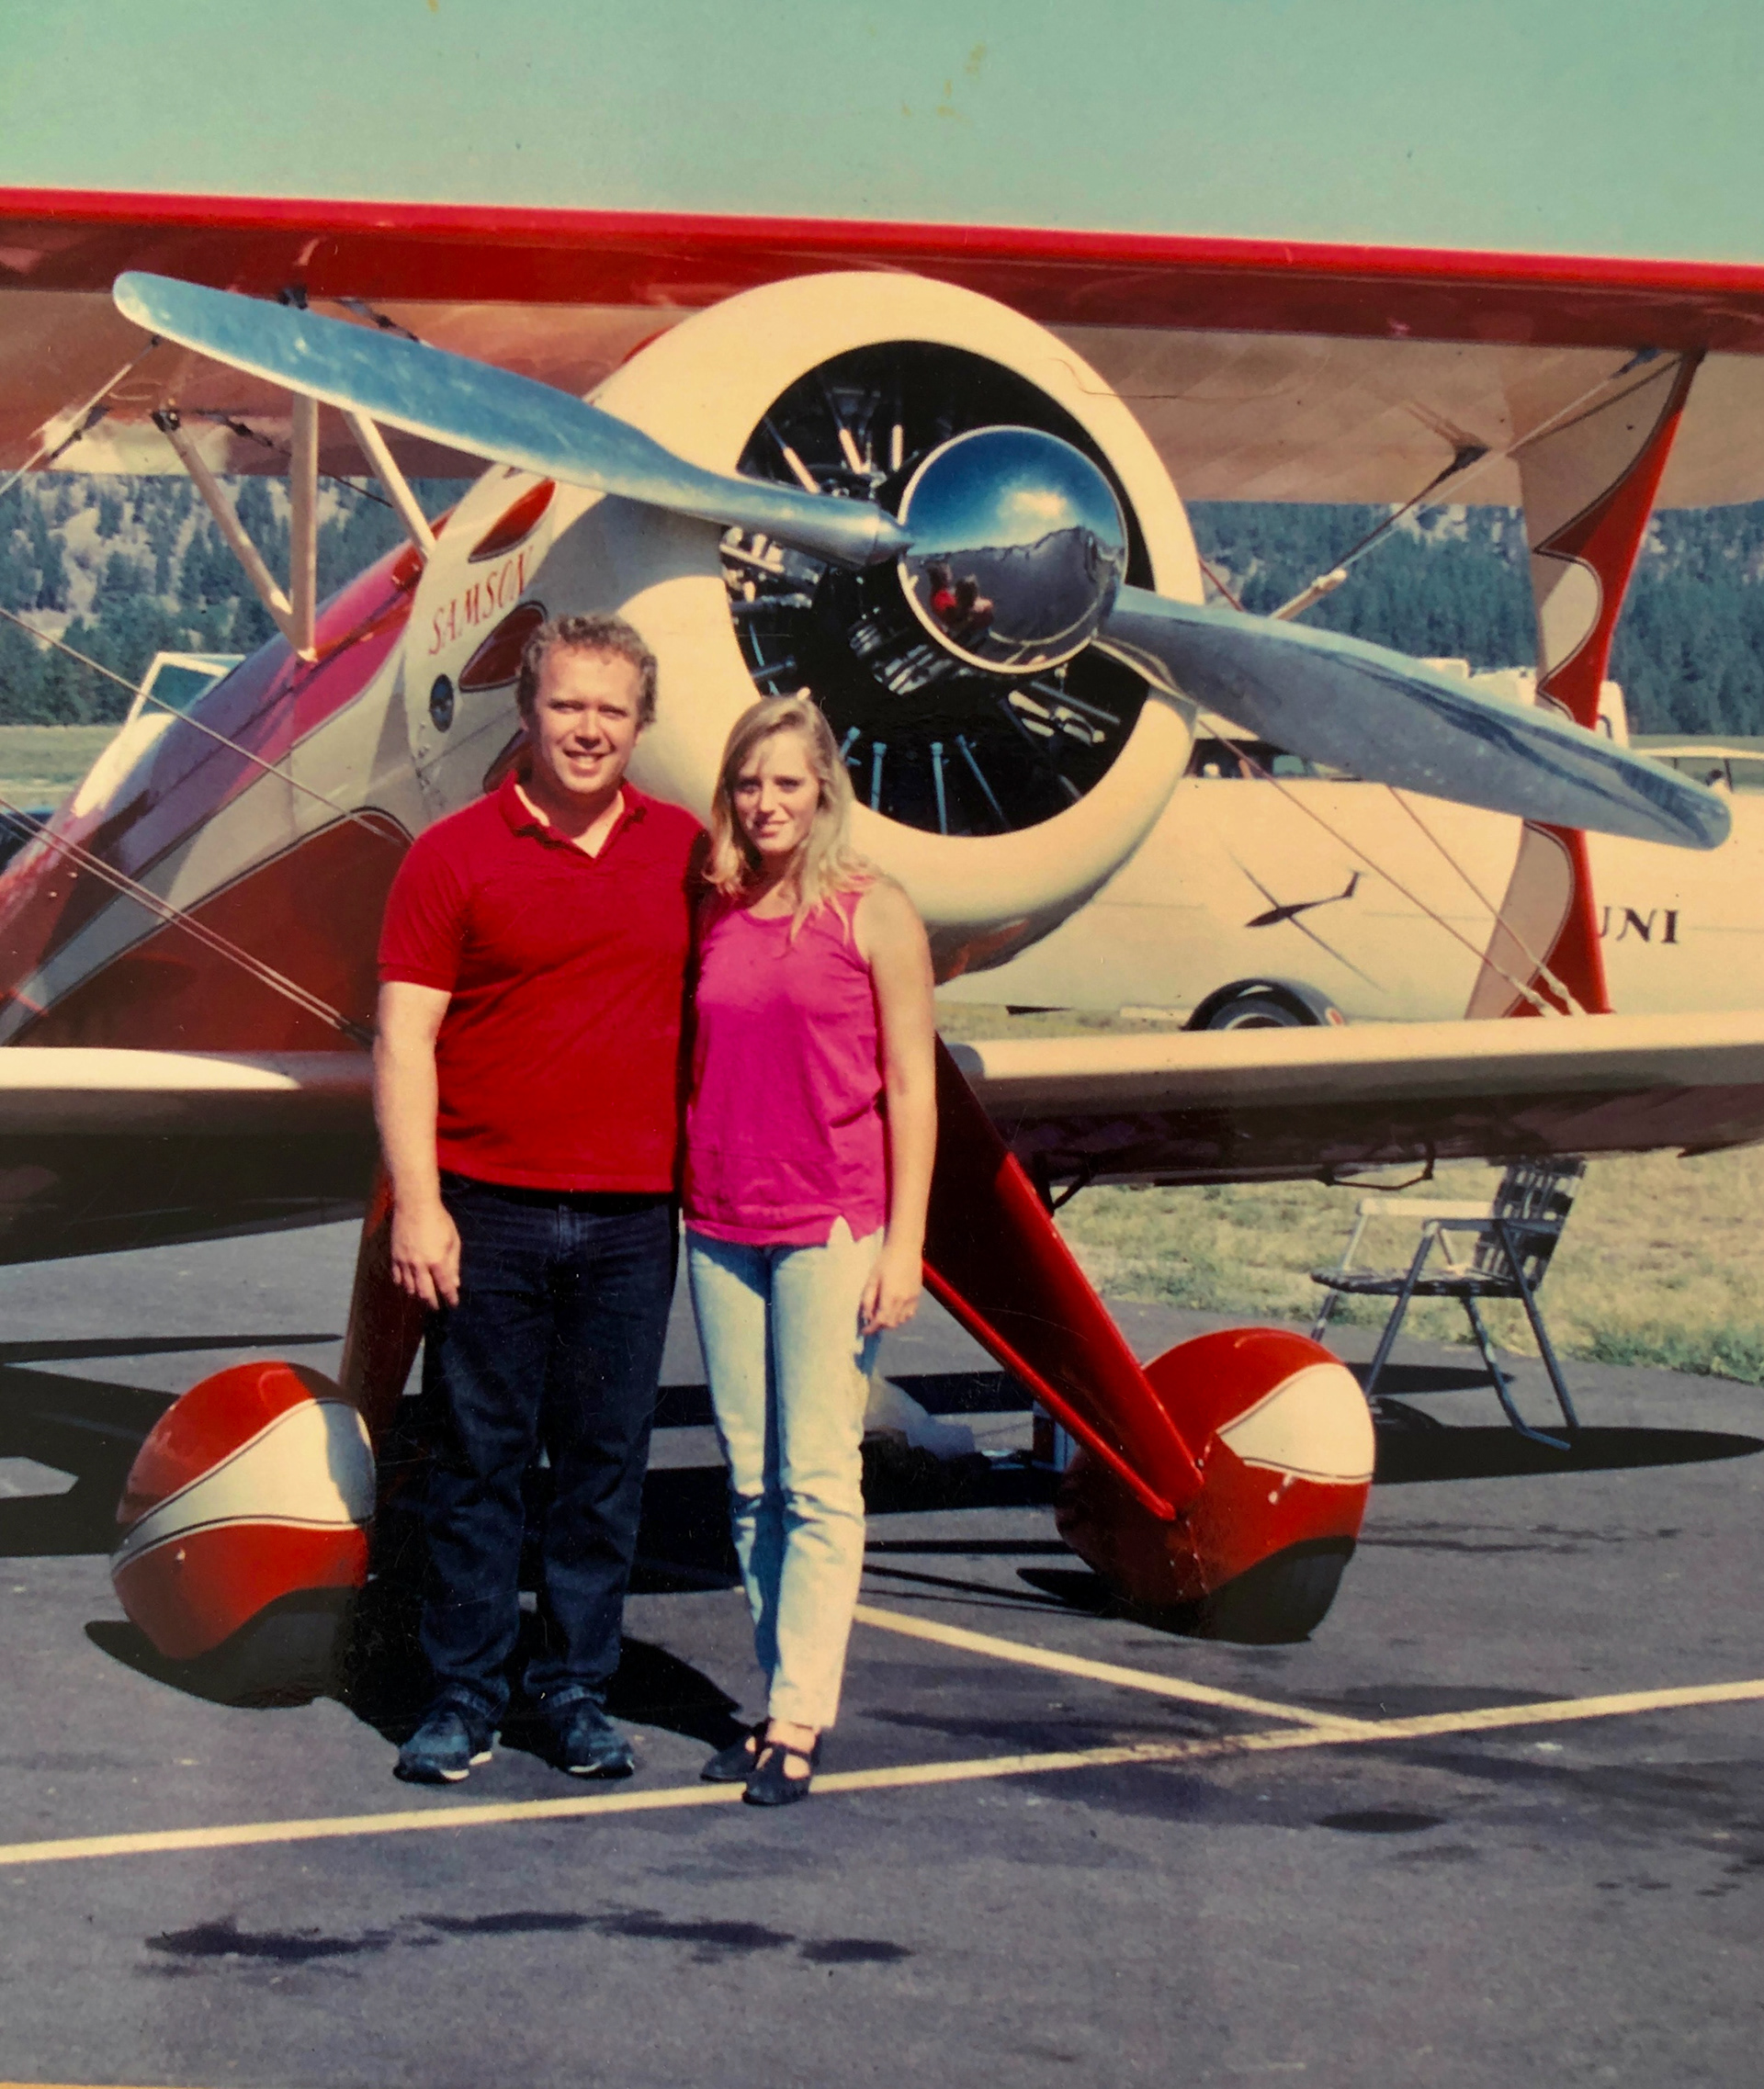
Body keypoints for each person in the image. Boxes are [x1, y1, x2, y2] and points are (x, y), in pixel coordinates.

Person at [373, 612, 702, 1786]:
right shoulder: (450, 855)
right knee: (478, 1462)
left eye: (612, 710)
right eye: (568, 705)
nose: (589, 729)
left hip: (629, 1218)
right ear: (527, 711)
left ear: (641, 723)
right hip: (489, 1209)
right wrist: (421, 1203)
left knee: (606, 1464)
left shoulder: (690, 855)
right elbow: (404, 1038)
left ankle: (572, 1693)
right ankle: (462, 1694)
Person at [684, 694, 937, 1806]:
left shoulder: (875, 911)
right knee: (748, 1481)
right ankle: (775, 1689)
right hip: (718, 1221)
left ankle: (797, 1719)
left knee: (819, 1477)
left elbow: (916, 1091)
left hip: (834, 1223)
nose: (767, 801)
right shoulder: (719, 907)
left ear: (824, 788)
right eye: (750, 783)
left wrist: (906, 1246)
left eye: (788, 782)